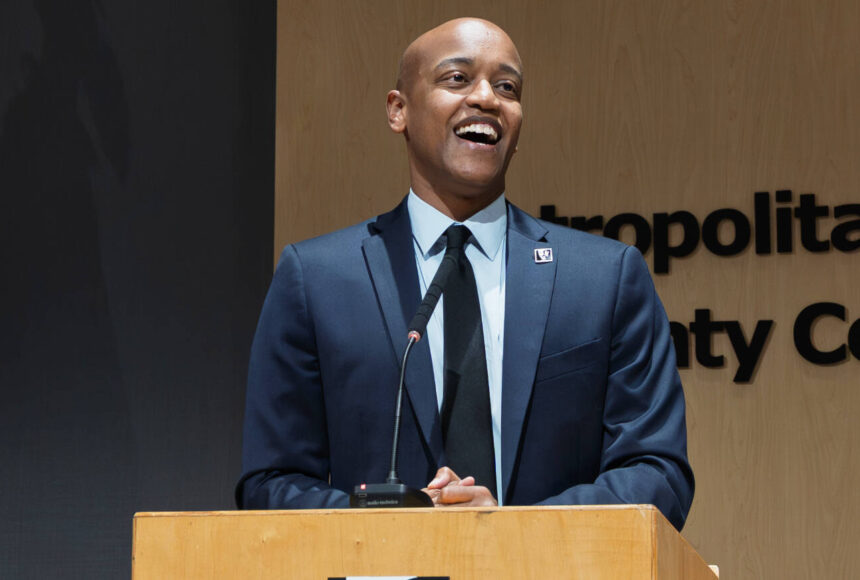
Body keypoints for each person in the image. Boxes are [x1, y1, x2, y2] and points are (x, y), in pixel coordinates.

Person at [236, 17, 694, 530]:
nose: (487, 98)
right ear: (398, 110)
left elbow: (658, 473)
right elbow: (271, 483)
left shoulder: (605, 278)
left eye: (507, 87)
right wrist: (402, 524)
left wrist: (508, 532)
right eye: (457, 79)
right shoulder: (316, 279)